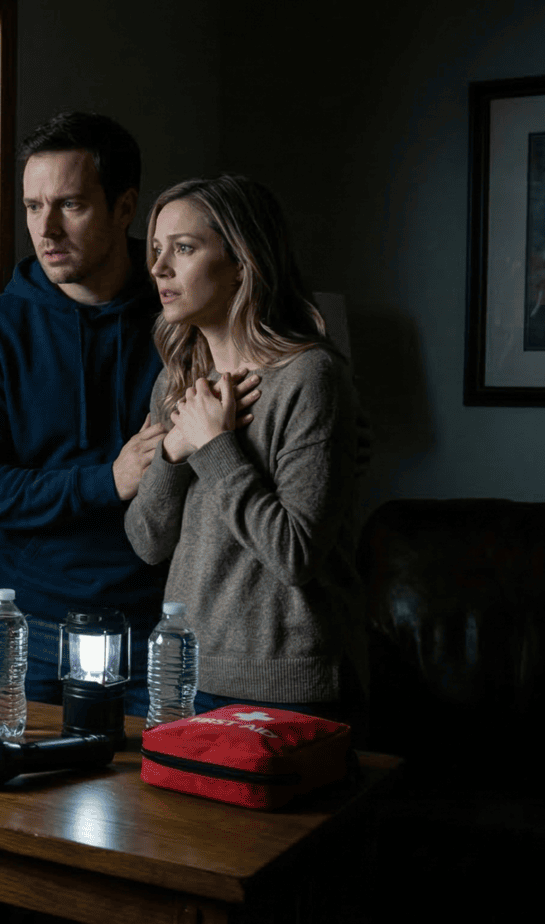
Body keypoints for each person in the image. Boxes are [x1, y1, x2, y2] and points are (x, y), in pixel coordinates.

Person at [0, 112, 260, 715]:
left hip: (167, 625)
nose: (47, 229)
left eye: (71, 205)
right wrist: (106, 480)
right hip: (33, 633)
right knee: (25, 808)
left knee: (166, 808)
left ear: (123, 207)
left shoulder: (188, 311)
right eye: (34, 207)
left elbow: (266, 409)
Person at [125, 175, 364, 719]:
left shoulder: (311, 375)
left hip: (289, 683)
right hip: (185, 674)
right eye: (157, 249)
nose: (159, 267)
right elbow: (145, 540)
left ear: (242, 261)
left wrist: (212, 444)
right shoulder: (177, 380)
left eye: (183, 248)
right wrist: (173, 452)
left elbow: (295, 554)